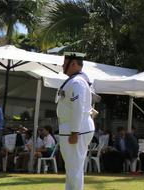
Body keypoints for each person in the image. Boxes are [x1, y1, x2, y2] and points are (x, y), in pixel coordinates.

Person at [57, 52, 95, 190]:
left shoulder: (77, 82)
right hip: (74, 127)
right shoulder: (76, 80)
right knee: (72, 168)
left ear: (73, 64)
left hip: (75, 129)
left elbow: (78, 108)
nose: (62, 65)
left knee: (74, 169)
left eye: (65, 62)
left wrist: (74, 132)